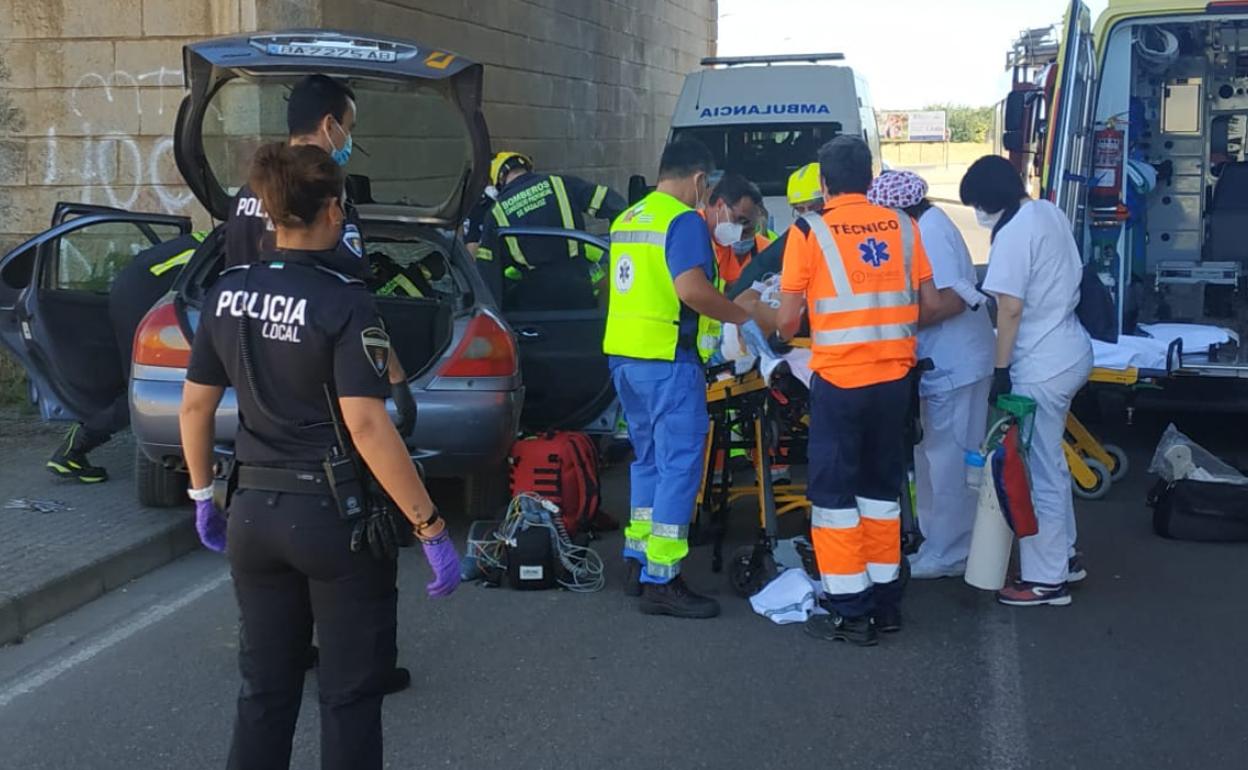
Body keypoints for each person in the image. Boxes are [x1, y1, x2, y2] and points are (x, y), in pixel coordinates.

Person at [178, 143, 461, 770]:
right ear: (332, 209)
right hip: (335, 519)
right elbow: (366, 423)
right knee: (350, 694)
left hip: (252, 510)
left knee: (265, 690)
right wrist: (430, 525)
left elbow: (194, 409)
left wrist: (203, 496)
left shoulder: (226, 292)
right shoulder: (343, 299)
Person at [776, 136, 945, 646]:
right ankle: (886, 602)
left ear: (824, 183)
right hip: (895, 381)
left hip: (840, 382)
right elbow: (930, 304)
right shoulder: (905, 225)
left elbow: (786, 323)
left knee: (833, 497)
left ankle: (850, 609)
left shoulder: (809, 231)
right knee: (880, 492)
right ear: (871, 179)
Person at [604, 138, 768, 619]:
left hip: (625, 360)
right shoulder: (682, 222)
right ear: (700, 180)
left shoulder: (628, 219)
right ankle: (664, 578)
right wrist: (741, 316)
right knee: (679, 468)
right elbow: (692, 290)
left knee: (649, 462)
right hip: (668, 363)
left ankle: (639, 560)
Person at [960, 155, 1093, 607]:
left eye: (977, 203)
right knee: (1049, 462)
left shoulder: (1014, 234)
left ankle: (1045, 579)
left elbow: (1010, 309)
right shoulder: (1046, 211)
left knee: (1039, 472)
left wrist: (1001, 371)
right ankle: (1065, 557)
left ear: (989, 198)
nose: (978, 213)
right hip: (1070, 348)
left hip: (1040, 364)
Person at [867, 170, 995, 579]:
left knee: (949, 460)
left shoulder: (930, 231)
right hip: (941, 365)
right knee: (929, 456)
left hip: (956, 365)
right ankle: (936, 542)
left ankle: (953, 551)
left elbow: (946, 303)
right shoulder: (923, 227)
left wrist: (886, 322)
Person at [46, 230, 207, 483]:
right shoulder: (230, 243)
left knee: (133, 382)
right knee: (140, 389)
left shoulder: (208, 237)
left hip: (129, 288)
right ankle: (72, 451)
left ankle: (75, 444)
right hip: (142, 298)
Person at [225, 74, 367, 280]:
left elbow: (234, 263)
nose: (348, 138)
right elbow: (351, 272)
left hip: (247, 306)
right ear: (329, 125)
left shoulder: (250, 191)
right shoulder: (326, 194)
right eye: (348, 128)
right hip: (314, 309)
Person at [476, 151, 626, 310]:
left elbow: (487, 274)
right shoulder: (560, 183)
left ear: (499, 180)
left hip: (535, 303)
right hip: (579, 292)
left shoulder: (495, 214)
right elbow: (612, 203)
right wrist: (622, 247)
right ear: (527, 167)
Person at [727, 162, 824, 299]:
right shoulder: (796, 237)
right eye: (800, 210)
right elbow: (761, 267)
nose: (807, 216)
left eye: (814, 208)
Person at [703, 173, 769, 287]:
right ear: (720, 205)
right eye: (739, 220)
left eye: (748, 230)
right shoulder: (693, 233)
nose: (739, 233)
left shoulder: (765, 249)